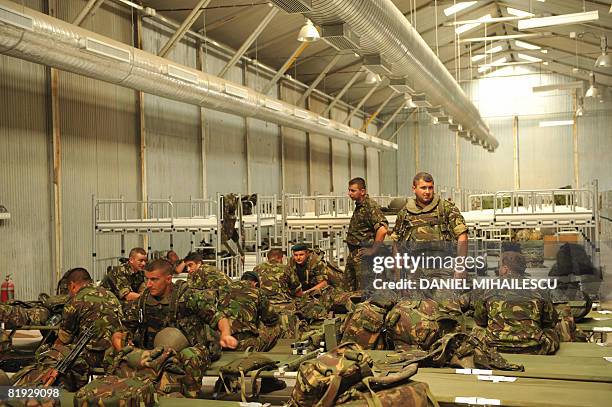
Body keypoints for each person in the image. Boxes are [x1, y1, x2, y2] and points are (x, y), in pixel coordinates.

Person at [114, 259, 237, 397]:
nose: (149, 284)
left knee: (190, 356)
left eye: (154, 279)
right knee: (119, 355)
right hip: (154, 352)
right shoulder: (143, 301)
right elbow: (123, 329)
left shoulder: (187, 296)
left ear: (168, 279)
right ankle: (129, 395)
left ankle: (189, 398)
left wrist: (226, 334)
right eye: (147, 279)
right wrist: (123, 347)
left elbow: (219, 317)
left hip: (188, 348)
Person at [11, 268, 123, 389]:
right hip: (113, 355)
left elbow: (64, 338)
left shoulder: (76, 301)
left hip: (91, 356)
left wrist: (51, 349)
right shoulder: (112, 297)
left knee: (47, 355)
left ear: (72, 285)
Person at [472, 251, 560, 355]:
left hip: (495, 347)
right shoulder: (538, 288)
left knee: (477, 329)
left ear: (505, 269)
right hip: (533, 348)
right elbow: (549, 321)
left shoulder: (489, 288)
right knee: (552, 331)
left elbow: (480, 320)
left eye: (499, 266)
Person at [217, 271, 281, 352]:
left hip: (224, 340)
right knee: (276, 327)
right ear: (255, 283)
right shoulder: (257, 291)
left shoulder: (223, 289)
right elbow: (271, 319)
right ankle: (255, 351)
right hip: (246, 342)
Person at [345, 177, 389, 291]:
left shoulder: (370, 206)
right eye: (349, 190)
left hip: (363, 255)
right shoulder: (360, 206)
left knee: (363, 291)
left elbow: (382, 229)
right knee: (349, 290)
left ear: (363, 191)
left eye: (353, 191)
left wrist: (373, 250)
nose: (349, 193)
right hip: (355, 254)